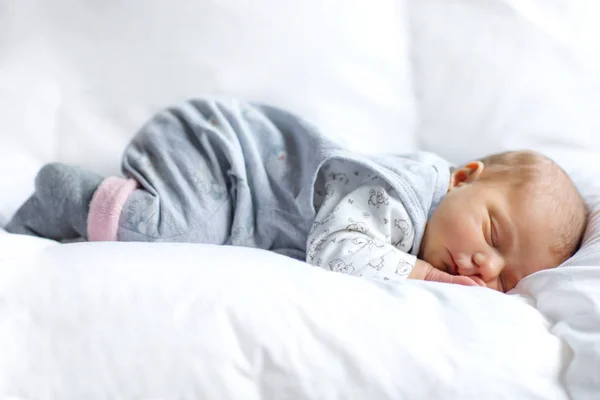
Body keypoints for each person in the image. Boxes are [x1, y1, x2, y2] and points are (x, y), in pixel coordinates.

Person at [4, 98, 588, 292]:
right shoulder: (399, 196)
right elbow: (337, 250)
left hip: (230, 188)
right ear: (463, 178)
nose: (486, 268)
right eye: (492, 235)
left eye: (507, 280)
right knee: (158, 237)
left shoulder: (426, 226)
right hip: (217, 151)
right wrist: (432, 280)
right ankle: (67, 194)